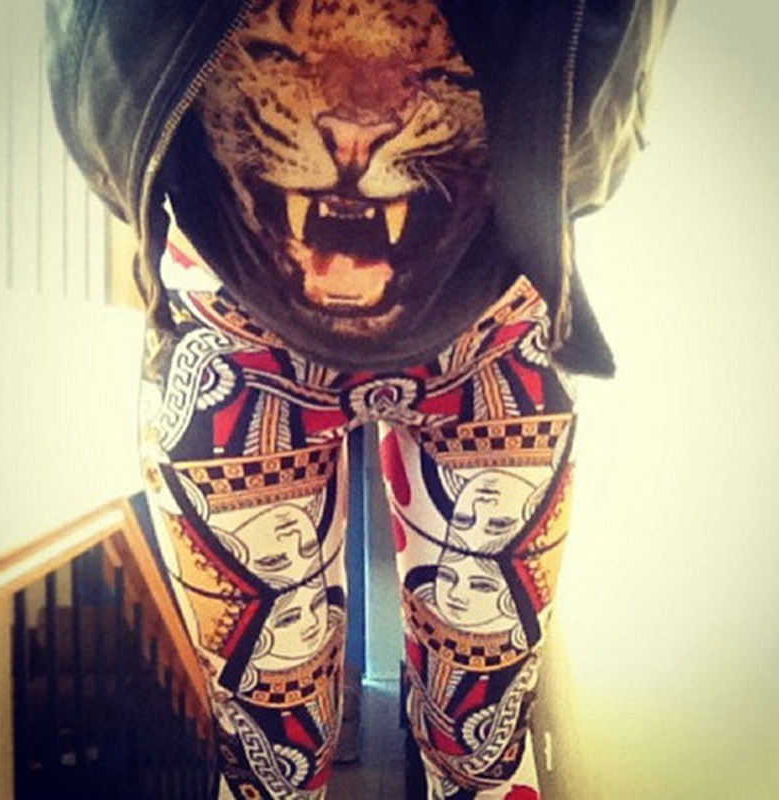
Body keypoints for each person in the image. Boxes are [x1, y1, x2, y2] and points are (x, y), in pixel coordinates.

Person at [46, 0, 675, 797]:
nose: (356, 125)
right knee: (267, 764)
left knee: (483, 756)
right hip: (232, 316)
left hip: (494, 311)